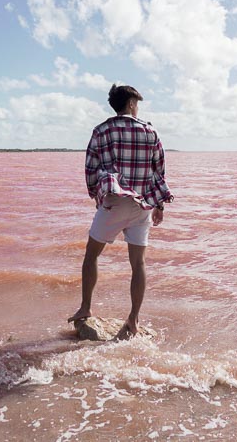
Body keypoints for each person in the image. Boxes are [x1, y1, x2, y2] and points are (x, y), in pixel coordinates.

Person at [68, 84, 173, 340]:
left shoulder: (102, 130)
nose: (137, 108)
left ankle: (86, 307)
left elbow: (90, 167)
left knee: (91, 256)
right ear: (130, 104)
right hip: (141, 205)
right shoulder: (150, 131)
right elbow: (158, 170)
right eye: (137, 104)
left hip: (114, 201)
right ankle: (133, 319)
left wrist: (97, 195)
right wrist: (158, 204)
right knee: (138, 264)